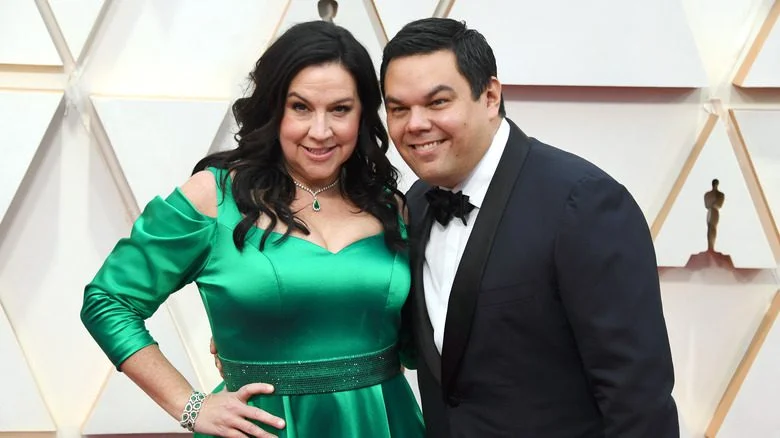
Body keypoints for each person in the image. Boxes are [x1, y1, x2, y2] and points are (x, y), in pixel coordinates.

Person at [80, 20, 424, 438]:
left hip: (385, 424)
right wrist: (191, 406)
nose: (320, 130)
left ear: (363, 114)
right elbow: (108, 300)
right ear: (273, 108)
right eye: (300, 107)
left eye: (340, 109)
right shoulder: (213, 195)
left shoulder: (393, 206)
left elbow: (418, 339)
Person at [379, 18, 680, 437]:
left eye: (437, 103)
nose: (415, 124)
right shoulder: (414, 205)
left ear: (489, 96)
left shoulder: (583, 202)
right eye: (398, 109)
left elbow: (638, 396)